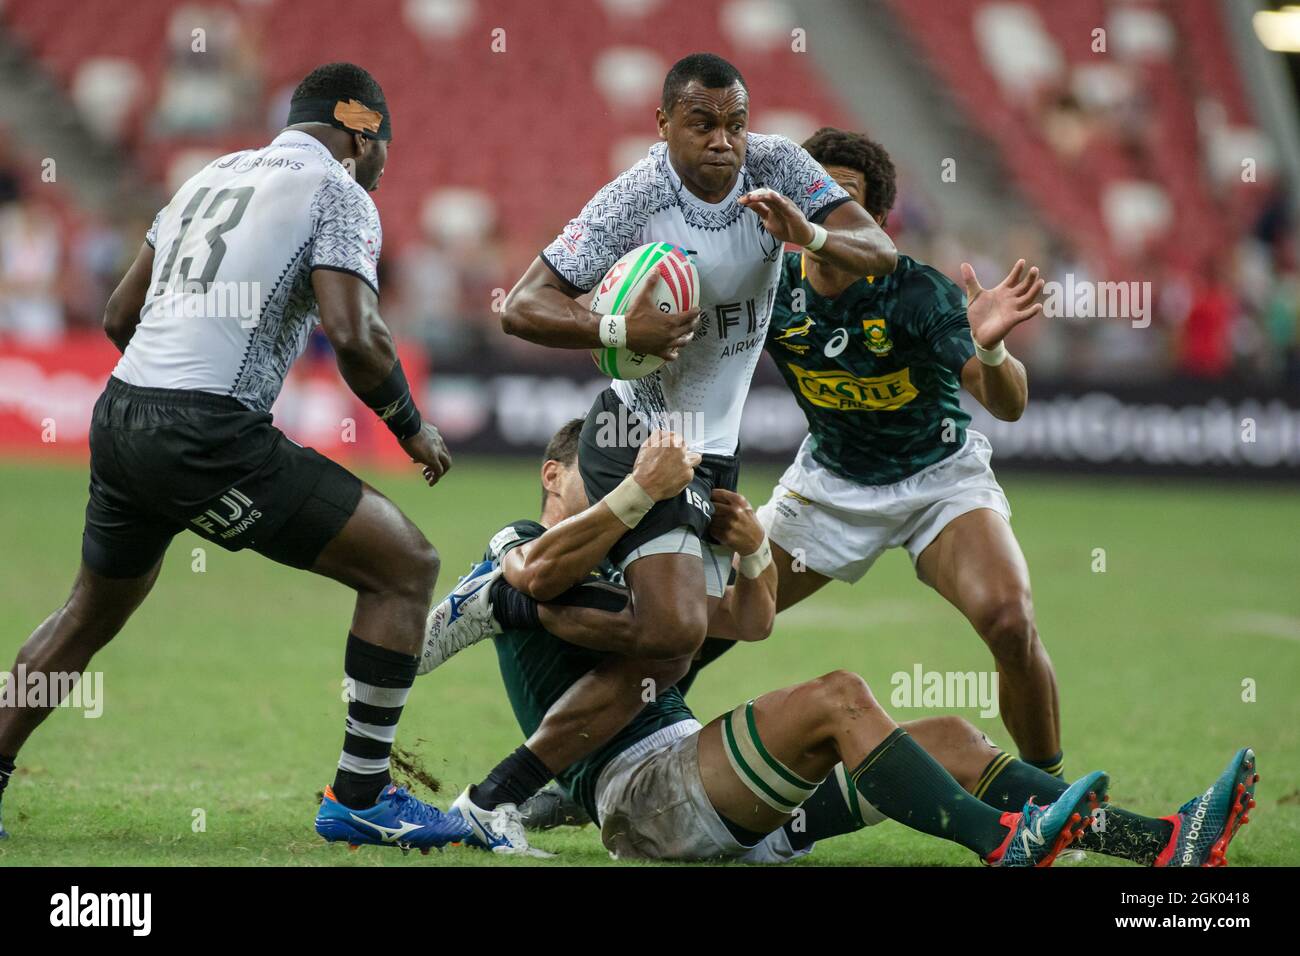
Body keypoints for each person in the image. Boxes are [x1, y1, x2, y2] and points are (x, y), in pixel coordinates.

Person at [420, 52, 897, 848]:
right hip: (632, 432)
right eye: (703, 123)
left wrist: (808, 230)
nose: (724, 142)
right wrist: (618, 330)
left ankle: (510, 662)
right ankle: (508, 643)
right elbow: (524, 306)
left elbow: (878, 251)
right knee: (674, 634)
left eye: (735, 124)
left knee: (683, 649)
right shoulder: (637, 195)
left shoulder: (778, 165)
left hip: (714, 453)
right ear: (664, 124)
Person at [0, 62, 470, 852]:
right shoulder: (338, 191)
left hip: (122, 411)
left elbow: (121, 313)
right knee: (405, 565)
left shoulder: (208, 174)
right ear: (360, 130)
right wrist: (410, 425)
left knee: (88, 611)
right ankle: (360, 795)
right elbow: (355, 335)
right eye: (384, 142)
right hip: (206, 432)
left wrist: (165, 391)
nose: (386, 162)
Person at [463, 421, 1259, 866]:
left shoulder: (629, 558)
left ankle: (1162, 845)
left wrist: (748, 550)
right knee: (840, 697)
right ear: (549, 474)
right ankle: (1000, 846)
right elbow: (519, 581)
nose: (605, 495)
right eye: (590, 479)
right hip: (648, 798)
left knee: (952, 737)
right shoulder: (526, 552)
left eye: (613, 483)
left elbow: (751, 619)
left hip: (697, 782)